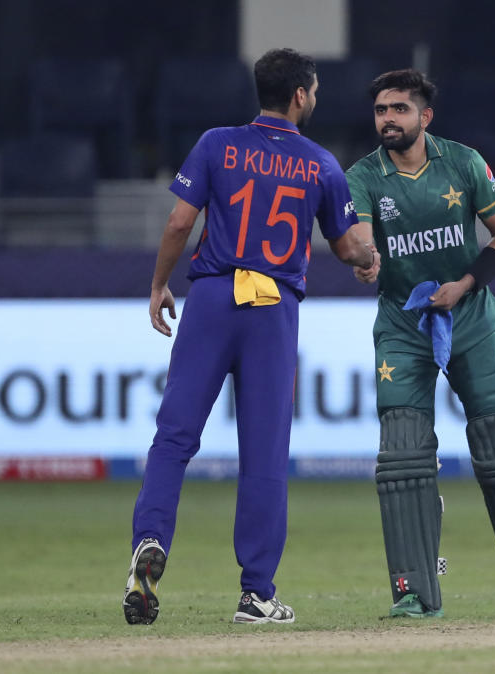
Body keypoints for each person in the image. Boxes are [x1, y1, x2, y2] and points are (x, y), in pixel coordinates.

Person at [122, 48, 377, 626]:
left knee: (174, 437)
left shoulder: (215, 143)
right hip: (272, 308)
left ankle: (149, 542)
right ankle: (256, 594)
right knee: (264, 455)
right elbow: (346, 245)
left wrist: (160, 284)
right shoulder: (320, 163)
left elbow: (180, 223)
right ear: (301, 96)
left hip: (212, 296)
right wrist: (368, 259)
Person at [345, 69, 495, 618]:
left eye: (399, 109)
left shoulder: (464, 163)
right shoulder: (364, 176)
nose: (387, 119)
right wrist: (365, 260)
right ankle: (414, 590)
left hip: (470, 317)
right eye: (380, 111)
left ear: (425, 117)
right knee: (402, 457)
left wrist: (463, 285)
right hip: (402, 322)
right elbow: (361, 239)